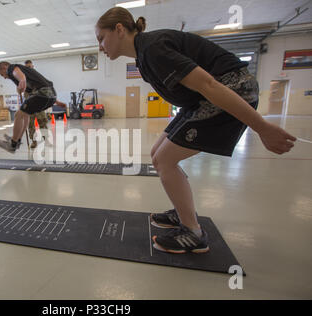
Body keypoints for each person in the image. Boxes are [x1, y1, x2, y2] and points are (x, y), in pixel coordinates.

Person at [95, 7, 297, 254]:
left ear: (119, 29)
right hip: (200, 100)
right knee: (158, 154)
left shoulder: (153, 48)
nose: (100, 47)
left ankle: (194, 233)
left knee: (166, 160)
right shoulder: (143, 57)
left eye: (101, 38)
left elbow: (209, 85)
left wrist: (262, 127)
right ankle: (184, 212)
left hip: (233, 88)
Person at [0, 61, 57, 152]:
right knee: (25, 115)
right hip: (50, 95)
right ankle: (17, 139)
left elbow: (17, 72)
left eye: (2, 74)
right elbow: (27, 88)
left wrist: (22, 79)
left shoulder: (12, 68)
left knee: (18, 115)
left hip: (43, 93)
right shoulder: (22, 74)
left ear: (4, 68)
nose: (4, 77)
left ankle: (13, 144)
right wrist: (20, 88)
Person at [24, 60, 49, 149]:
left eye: (30, 67)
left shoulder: (38, 77)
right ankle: (34, 141)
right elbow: (20, 89)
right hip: (30, 105)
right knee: (31, 125)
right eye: (27, 67)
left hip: (39, 105)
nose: (29, 69)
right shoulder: (23, 79)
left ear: (33, 67)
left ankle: (47, 140)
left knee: (42, 123)